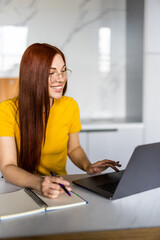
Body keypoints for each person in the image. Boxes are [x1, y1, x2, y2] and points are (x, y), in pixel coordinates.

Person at [0, 43, 121, 199]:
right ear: (33, 75)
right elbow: (8, 167)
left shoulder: (69, 105)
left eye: (63, 70)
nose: (61, 78)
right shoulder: (7, 110)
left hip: (58, 187)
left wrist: (87, 166)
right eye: (52, 73)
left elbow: (74, 148)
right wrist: (39, 183)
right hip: (19, 188)